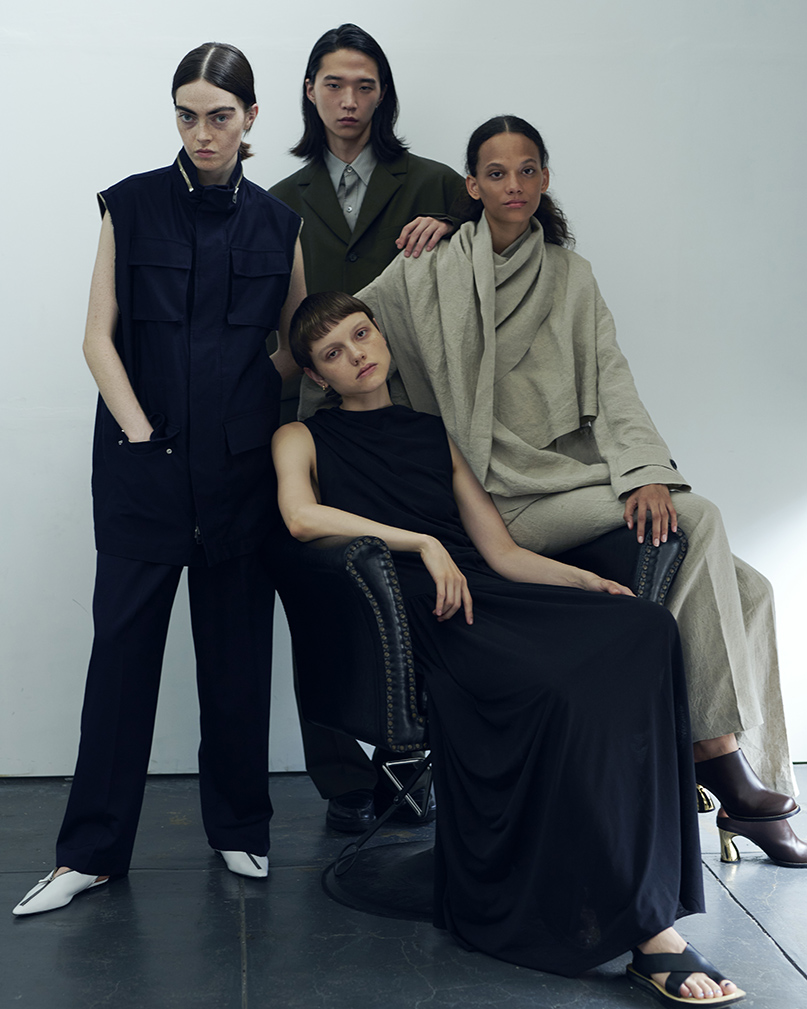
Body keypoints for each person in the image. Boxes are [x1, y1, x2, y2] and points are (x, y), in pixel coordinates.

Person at [298, 115, 806, 868]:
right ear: (472, 186)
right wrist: (323, 446)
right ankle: (717, 762)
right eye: (495, 173)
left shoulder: (571, 275)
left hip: (562, 484)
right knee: (698, 516)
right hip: (493, 502)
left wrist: (645, 471)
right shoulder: (427, 268)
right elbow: (341, 330)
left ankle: (750, 794)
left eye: (527, 169)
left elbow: (612, 380)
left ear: (544, 177)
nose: (514, 185)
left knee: (751, 588)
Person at [272, 291, 746, 1004]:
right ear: (316, 375)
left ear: (381, 336)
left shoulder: (432, 433)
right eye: (333, 352)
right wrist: (421, 542)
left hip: (483, 588)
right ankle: (652, 935)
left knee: (644, 628)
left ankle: (650, 893)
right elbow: (299, 516)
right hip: (421, 612)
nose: (357, 354)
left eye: (362, 334)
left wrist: (586, 582)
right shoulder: (300, 437)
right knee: (559, 686)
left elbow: (500, 552)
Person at [13, 42, 306, 917]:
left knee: (236, 657)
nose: (202, 132)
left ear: (251, 118)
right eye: (187, 115)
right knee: (121, 659)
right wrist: (140, 430)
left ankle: (241, 827)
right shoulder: (129, 204)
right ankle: (89, 852)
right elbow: (96, 336)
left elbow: (297, 340)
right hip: (142, 469)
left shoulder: (279, 223)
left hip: (239, 474)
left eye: (220, 116)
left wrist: (251, 404)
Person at [269, 23, 464, 832]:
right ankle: (343, 778)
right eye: (333, 84)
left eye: (365, 85)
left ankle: (423, 758)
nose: (349, 101)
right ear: (309, 92)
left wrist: (454, 229)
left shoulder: (436, 183)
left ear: (384, 94)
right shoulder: (279, 200)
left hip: (410, 416)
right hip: (309, 422)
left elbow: (500, 250)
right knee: (317, 591)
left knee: (419, 582)